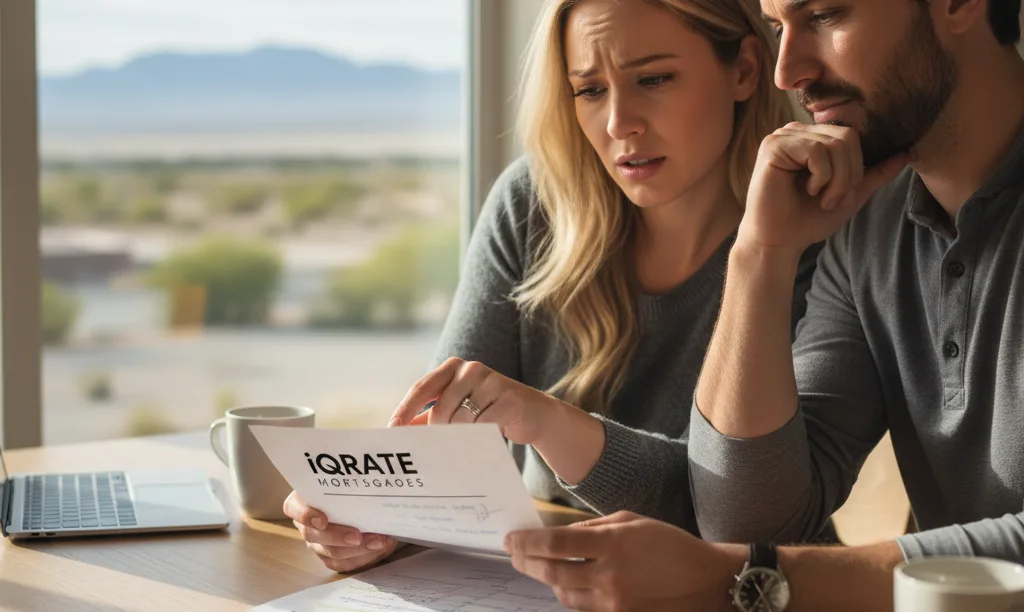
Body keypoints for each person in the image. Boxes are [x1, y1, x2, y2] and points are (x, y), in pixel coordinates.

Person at [491, 1, 1024, 611]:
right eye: (777, 28)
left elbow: (747, 554)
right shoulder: (865, 218)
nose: (786, 71)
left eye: (823, 14)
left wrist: (742, 579)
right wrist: (760, 254)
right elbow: (751, 516)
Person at [283, 0, 823, 575]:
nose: (620, 124)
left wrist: (549, 422)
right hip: (546, 580)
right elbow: (443, 448)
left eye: (654, 79)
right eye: (589, 90)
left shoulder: (810, 235)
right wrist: (373, 516)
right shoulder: (532, 205)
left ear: (743, 69)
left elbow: (739, 516)